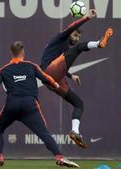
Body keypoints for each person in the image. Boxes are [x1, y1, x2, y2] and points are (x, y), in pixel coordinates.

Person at [0, 41, 79, 168]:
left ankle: (0, 157)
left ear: (11, 53)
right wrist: (56, 85)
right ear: (23, 53)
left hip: (12, 105)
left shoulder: (3, 70)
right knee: (44, 133)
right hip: (29, 105)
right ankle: (59, 157)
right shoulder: (31, 66)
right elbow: (46, 78)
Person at [40, 9, 114, 148]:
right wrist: (86, 17)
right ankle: (99, 43)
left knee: (79, 104)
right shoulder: (60, 38)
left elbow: (60, 65)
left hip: (54, 79)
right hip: (49, 72)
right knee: (79, 47)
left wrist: (70, 75)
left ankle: (75, 131)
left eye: (79, 36)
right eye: (75, 35)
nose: (76, 38)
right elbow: (70, 28)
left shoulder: (65, 48)